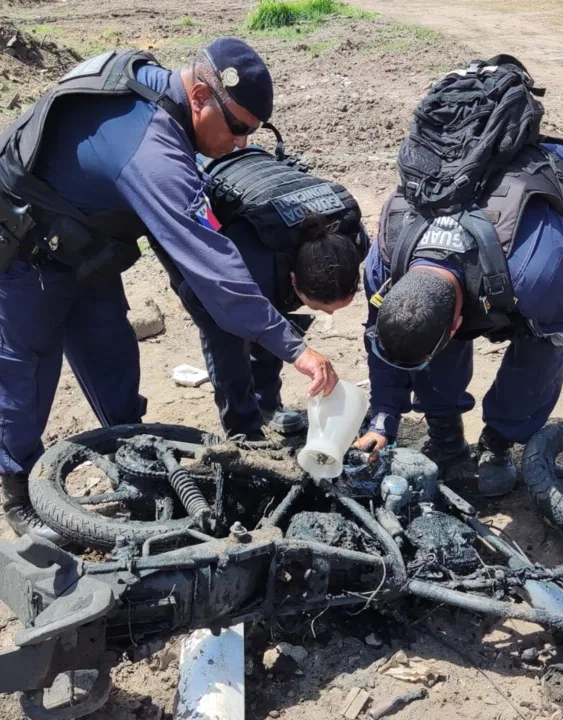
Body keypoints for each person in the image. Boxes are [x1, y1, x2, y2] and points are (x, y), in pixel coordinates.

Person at [0, 39, 340, 542]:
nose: (242, 143)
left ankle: (135, 462)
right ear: (200, 94)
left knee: (112, 357)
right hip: (23, 252)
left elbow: (185, 246)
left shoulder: (161, 98)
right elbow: (209, 259)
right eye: (239, 128)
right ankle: (19, 493)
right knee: (24, 378)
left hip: (85, 246)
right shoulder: (150, 146)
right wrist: (296, 349)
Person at [353, 58, 563, 498]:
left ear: (458, 323)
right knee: (424, 334)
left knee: (546, 337)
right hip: (465, 195)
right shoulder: (384, 263)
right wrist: (384, 415)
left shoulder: (537, 275)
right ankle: (445, 431)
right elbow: (382, 335)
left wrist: (507, 423)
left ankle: (500, 438)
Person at [165, 143, 367, 440]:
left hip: (258, 181)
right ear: (294, 280)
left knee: (272, 320)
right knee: (231, 342)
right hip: (194, 189)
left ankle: (266, 406)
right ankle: (244, 432)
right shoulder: (246, 268)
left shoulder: (354, 240)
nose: (327, 314)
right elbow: (200, 299)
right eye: (321, 307)